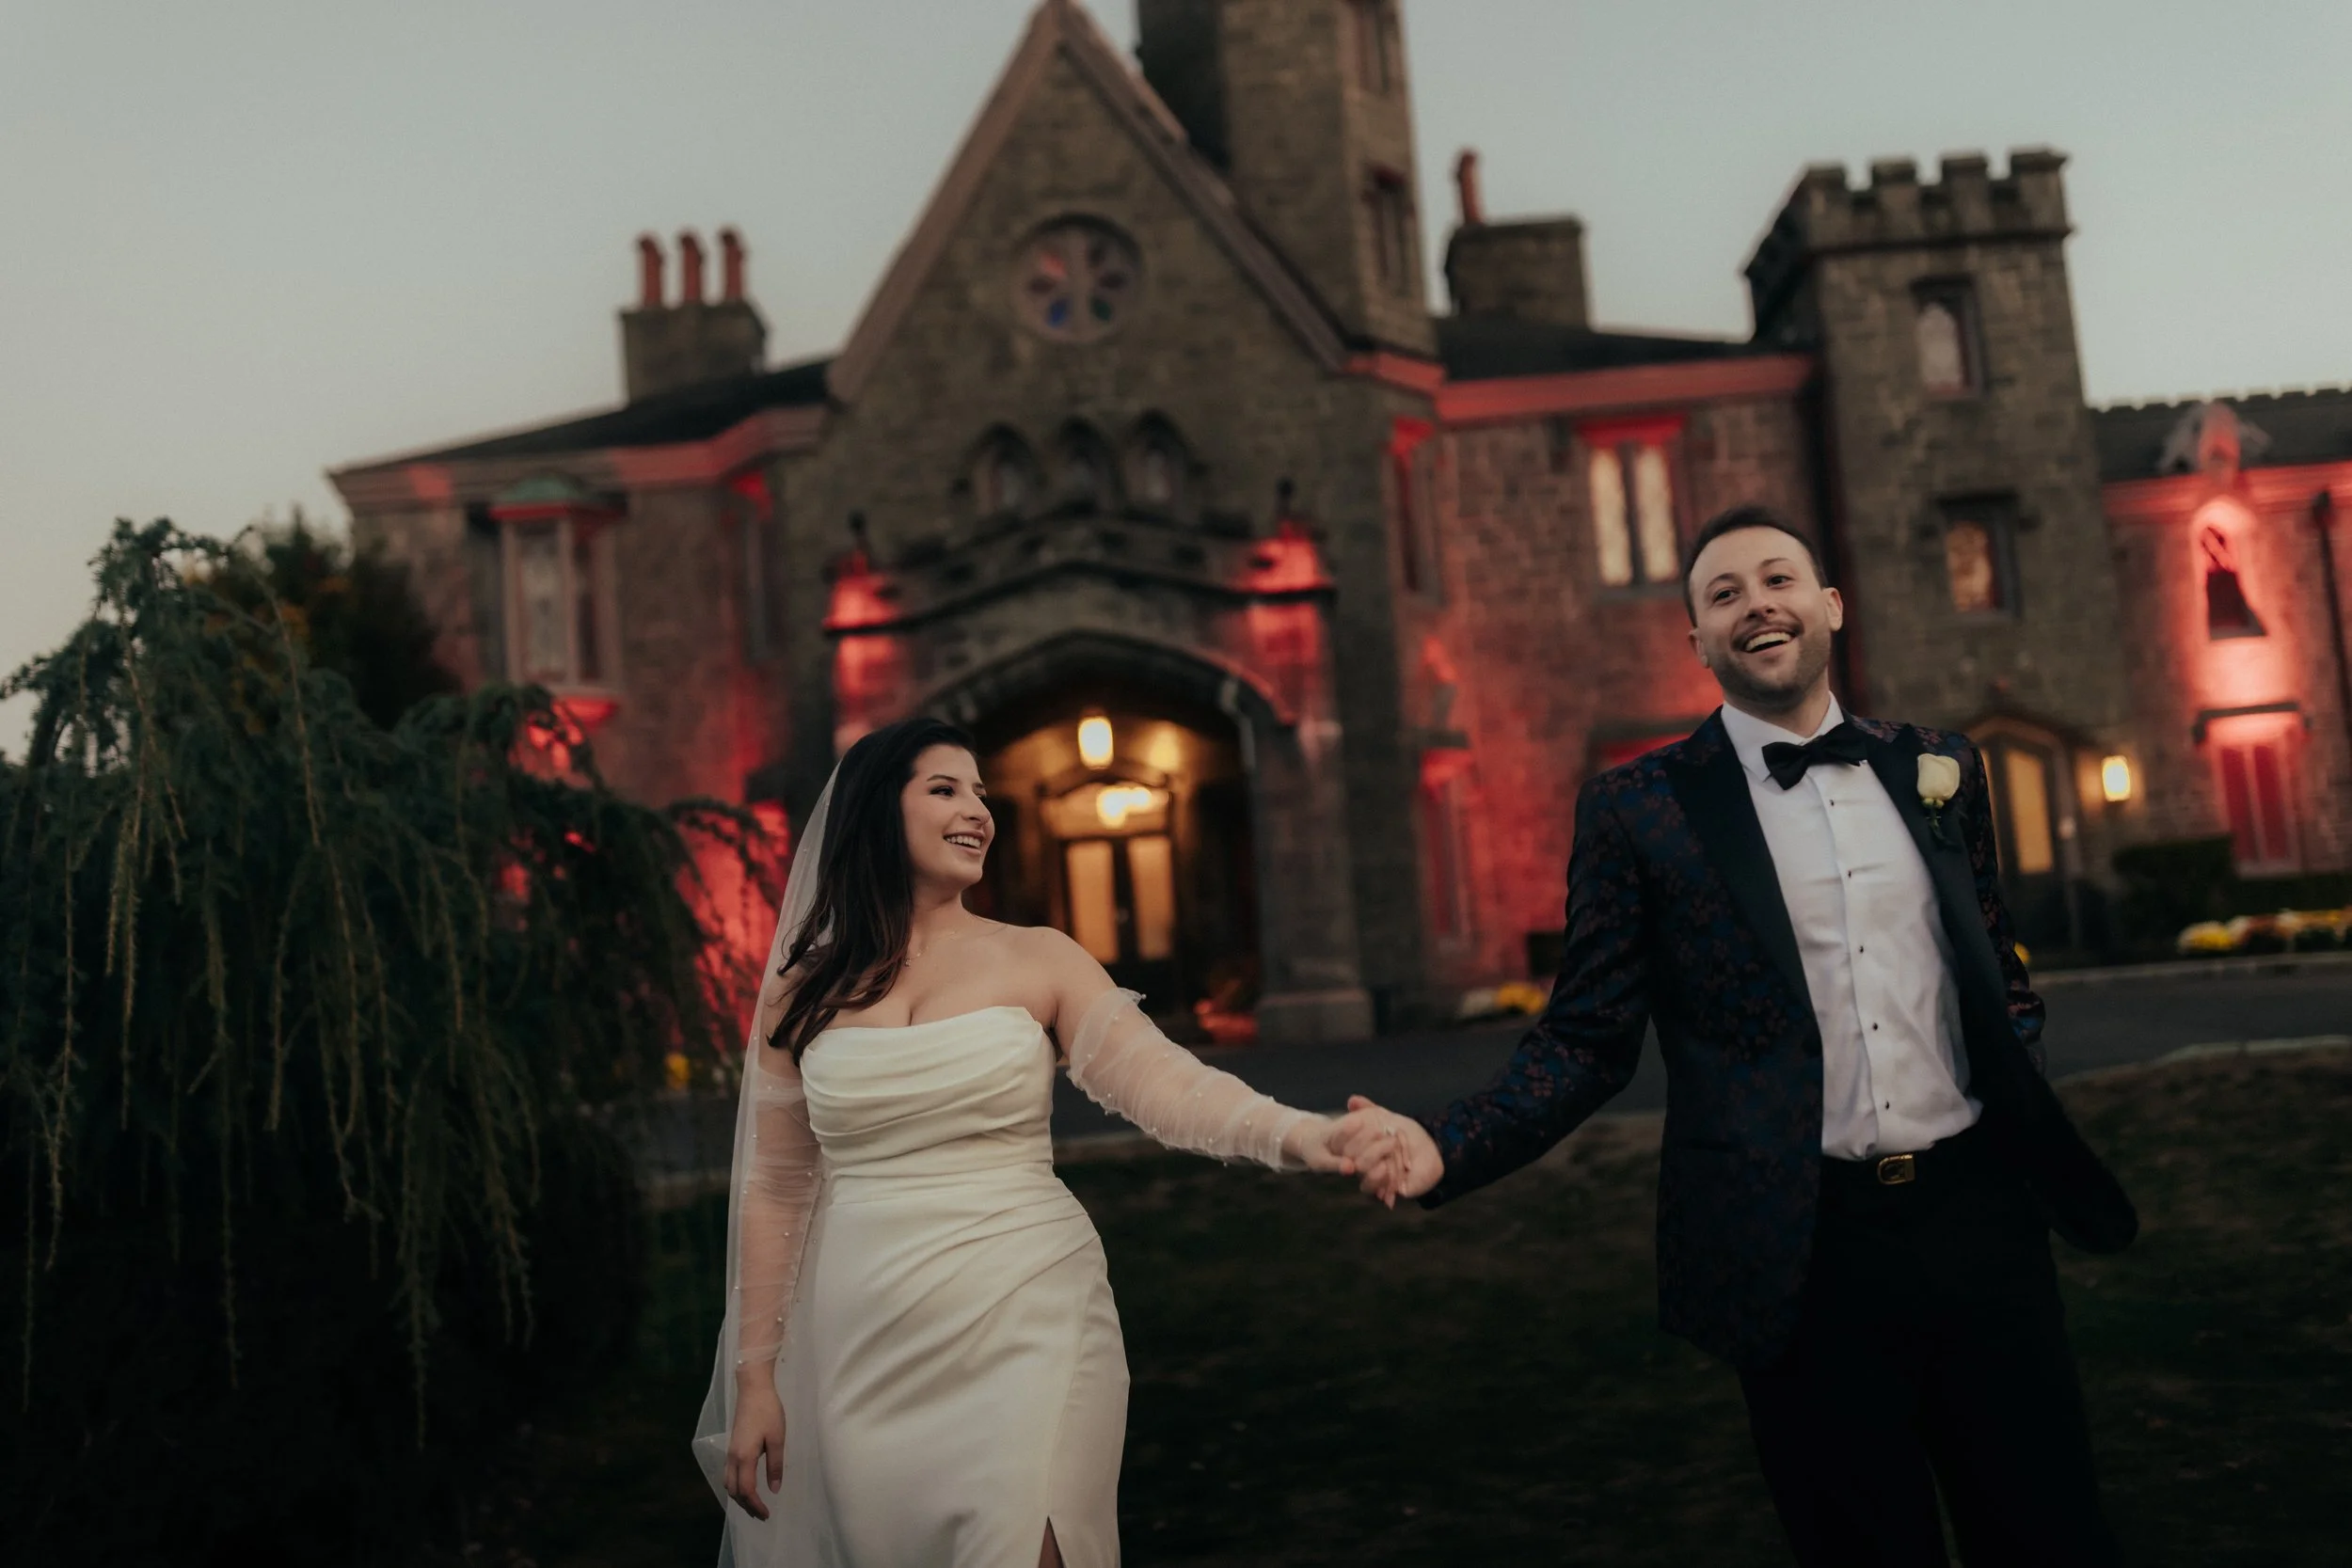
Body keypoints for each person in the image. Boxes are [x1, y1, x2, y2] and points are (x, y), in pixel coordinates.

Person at [1339, 505, 2137, 1567]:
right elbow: (1585, 1037)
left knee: (2049, 1533)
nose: (1756, 602)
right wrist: (1450, 1143)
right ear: (1699, 640)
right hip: (1800, 1251)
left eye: (1777, 579)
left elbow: (1994, 966)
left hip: (1981, 1219)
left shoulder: (1936, 769)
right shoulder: (1640, 810)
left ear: (1828, 605)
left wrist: (2018, 1074)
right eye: (1724, 593)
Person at [692, 715, 1369, 1568]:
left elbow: (1173, 1089)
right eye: (945, 788)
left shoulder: (1041, 958)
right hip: (867, 1338)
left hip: (1030, 1307)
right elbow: (776, 1188)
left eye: (981, 791)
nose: (978, 808)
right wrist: (757, 1379)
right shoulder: (802, 990)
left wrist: (1314, 1137)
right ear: (874, 812)